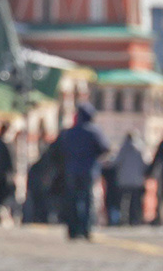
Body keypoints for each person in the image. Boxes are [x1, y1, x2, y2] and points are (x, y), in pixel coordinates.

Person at [57, 102, 110, 240]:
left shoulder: (70, 132)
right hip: (88, 170)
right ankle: (86, 229)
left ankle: (73, 230)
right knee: (87, 199)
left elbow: (61, 150)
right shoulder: (94, 131)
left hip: (71, 170)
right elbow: (105, 148)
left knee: (72, 199)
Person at [114, 133, 148, 226]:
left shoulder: (123, 149)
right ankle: (135, 219)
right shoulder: (140, 149)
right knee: (135, 202)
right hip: (137, 180)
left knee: (123, 201)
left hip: (123, 180)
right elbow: (145, 163)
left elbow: (116, 162)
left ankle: (123, 219)